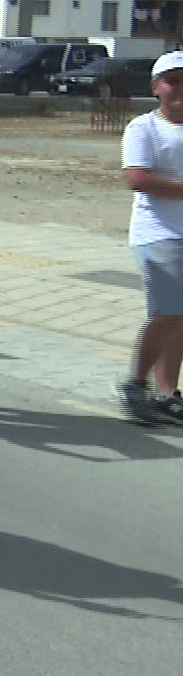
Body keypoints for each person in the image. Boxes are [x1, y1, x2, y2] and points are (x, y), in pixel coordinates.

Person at [122, 51, 183, 425]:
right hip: (158, 234)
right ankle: (135, 385)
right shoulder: (143, 128)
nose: (180, 88)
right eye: (172, 80)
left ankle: (166, 393)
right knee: (167, 313)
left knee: (181, 318)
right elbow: (138, 178)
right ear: (156, 87)